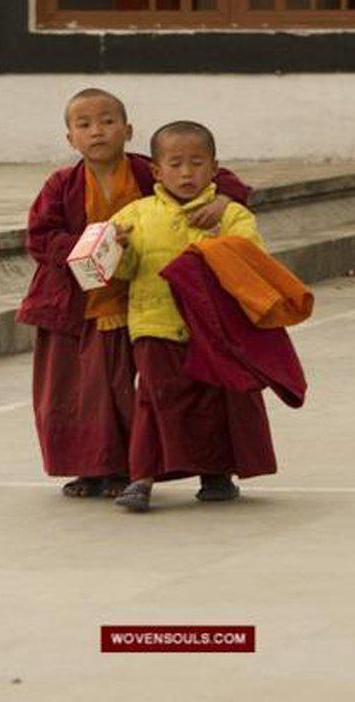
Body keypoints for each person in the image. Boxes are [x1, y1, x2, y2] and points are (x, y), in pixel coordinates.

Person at [16, 91, 249, 499]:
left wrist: (225, 198)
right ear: (70, 138)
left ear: (128, 130)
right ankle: (91, 469)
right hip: (80, 300)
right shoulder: (61, 184)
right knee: (82, 393)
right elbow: (40, 238)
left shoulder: (150, 171)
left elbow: (217, 176)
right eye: (84, 125)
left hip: (144, 297)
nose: (97, 131)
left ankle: (133, 468)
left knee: (138, 394)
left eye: (107, 121)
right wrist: (92, 244)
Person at [112, 121, 279, 513]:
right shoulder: (135, 215)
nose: (187, 173)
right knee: (153, 400)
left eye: (197, 163)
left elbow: (251, 259)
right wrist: (117, 251)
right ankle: (141, 478)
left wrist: (221, 238)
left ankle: (216, 475)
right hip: (154, 324)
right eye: (175, 164)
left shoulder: (232, 214)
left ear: (214, 168)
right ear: (156, 171)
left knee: (215, 401)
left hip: (214, 329)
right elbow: (123, 271)